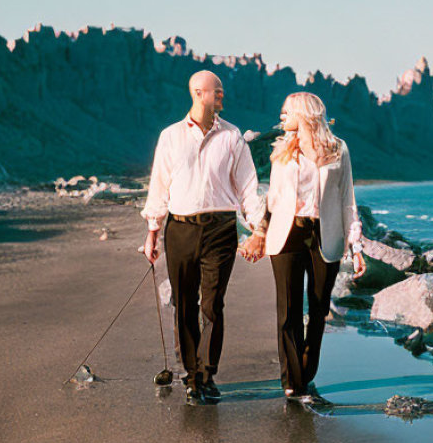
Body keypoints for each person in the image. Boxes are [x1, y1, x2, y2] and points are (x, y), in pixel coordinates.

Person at [142, 70, 263, 402]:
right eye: (217, 91)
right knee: (183, 304)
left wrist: (258, 228)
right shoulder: (170, 136)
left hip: (221, 229)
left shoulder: (233, 136)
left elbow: (249, 188)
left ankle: (205, 375)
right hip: (179, 229)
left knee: (212, 304)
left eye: (222, 91)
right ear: (198, 92)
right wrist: (152, 230)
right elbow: (159, 185)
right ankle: (190, 373)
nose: (222, 95)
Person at [239, 92, 366, 402]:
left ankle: (306, 373)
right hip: (287, 234)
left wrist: (356, 245)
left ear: (305, 113)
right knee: (289, 310)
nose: (282, 117)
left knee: (319, 309)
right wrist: (259, 233)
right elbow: (272, 199)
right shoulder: (282, 150)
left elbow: (347, 200)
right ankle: (294, 384)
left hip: (326, 234)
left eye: (287, 112)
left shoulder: (338, 149)